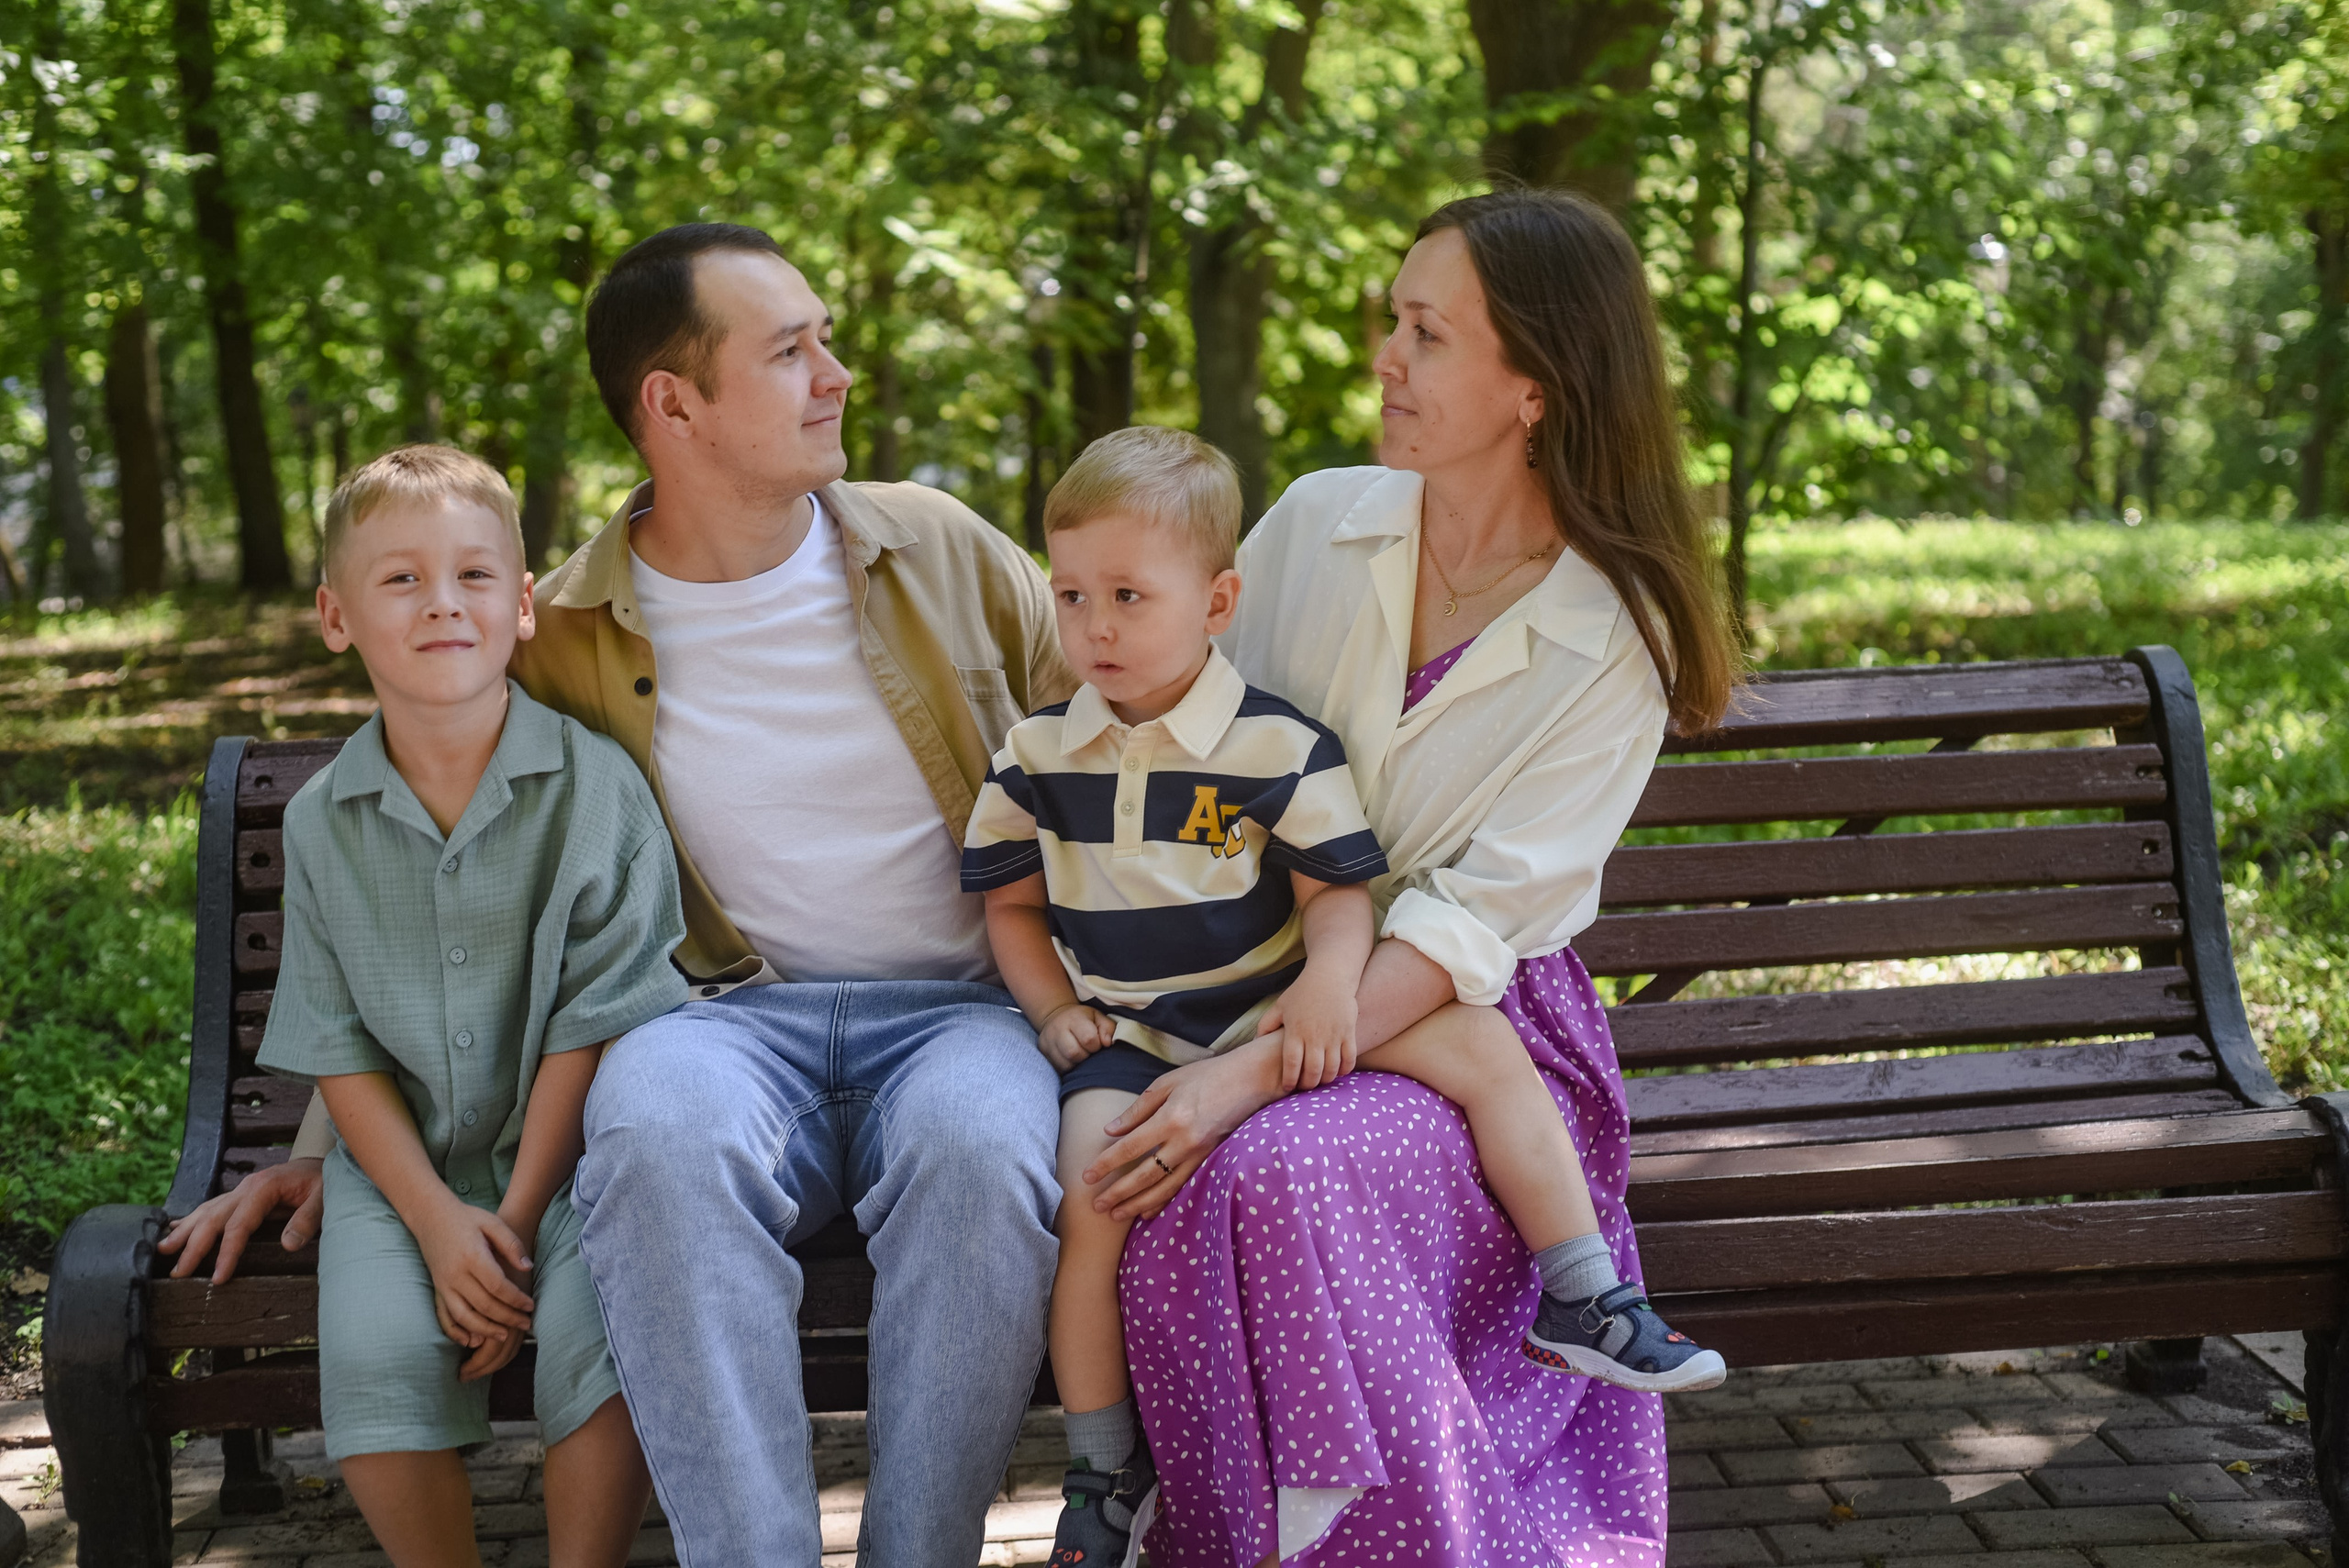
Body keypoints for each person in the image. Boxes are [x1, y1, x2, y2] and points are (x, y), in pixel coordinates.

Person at [161, 223, 1077, 1567]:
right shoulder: (564, 629)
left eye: (824, 339)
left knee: (985, 1147)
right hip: (720, 1021)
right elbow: (440, 876)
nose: (836, 374)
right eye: (791, 351)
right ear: (675, 404)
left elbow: (1128, 756)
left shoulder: (942, 551)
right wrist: (310, 1148)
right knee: (647, 1128)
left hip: (961, 1012)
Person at [1085, 190, 1740, 1564]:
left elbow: (1472, 922)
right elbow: (1177, 718)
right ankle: (1238, 1523)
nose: (1384, 356)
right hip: (1250, 976)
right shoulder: (1322, 522)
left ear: (1537, 386)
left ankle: (1358, 1534)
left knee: (1271, 1161)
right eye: (1393, 319)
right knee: (1162, 1164)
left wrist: (1240, 1075)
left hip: (1479, 1033)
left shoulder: (1613, 631)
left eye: (1425, 332)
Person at [961, 427, 1388, 1565]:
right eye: (1071, 594)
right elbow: (1007, 905)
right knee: (1090, 1186)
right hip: (1131, 1037)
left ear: (1217, 599)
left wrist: (1331, 987)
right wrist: (1053, 1006)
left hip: (1264, 1025)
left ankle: (1575, 1293)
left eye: (1129, 595)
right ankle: (1101, 1466)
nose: (1095, 624)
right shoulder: (1036, 757)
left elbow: (1339, 891)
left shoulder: (1278, 745)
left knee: (1294, 1180)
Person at [255, 445, 686, 1567]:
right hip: (398, 1172)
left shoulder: (597, 789)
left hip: (576, 1155)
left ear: (525, 603)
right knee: (374, 1358)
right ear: (336, 614)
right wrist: (445, 1228)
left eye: (474, 575)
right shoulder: (320, 823)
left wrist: (514, 1217)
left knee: (605, 1342)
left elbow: (598, 1022)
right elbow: (339, 1047)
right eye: (400, 578)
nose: (443, 600)